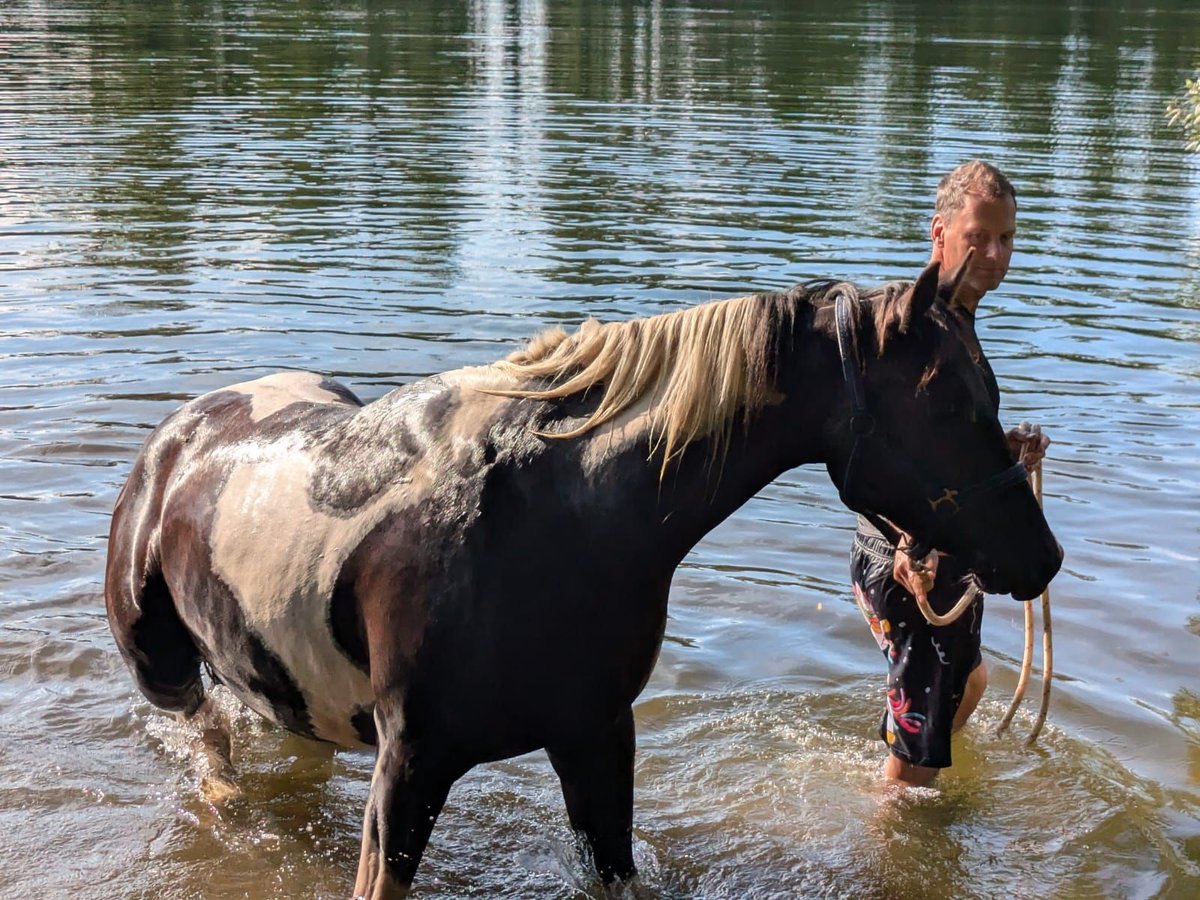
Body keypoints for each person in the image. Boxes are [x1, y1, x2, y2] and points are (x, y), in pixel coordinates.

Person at [851, 160, 1050, 788]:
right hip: (910, 562)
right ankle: (893, 848)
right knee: (916, 783)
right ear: (940, 235)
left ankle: (896, 755)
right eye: (978, 237)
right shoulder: (914, 328)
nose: (994, 254)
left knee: (972, 682)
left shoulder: (957, 318)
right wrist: (914, 546)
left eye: (1007, 238)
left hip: (937, 549)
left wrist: (1000, 447)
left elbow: (934, 445)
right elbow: (876, 459)